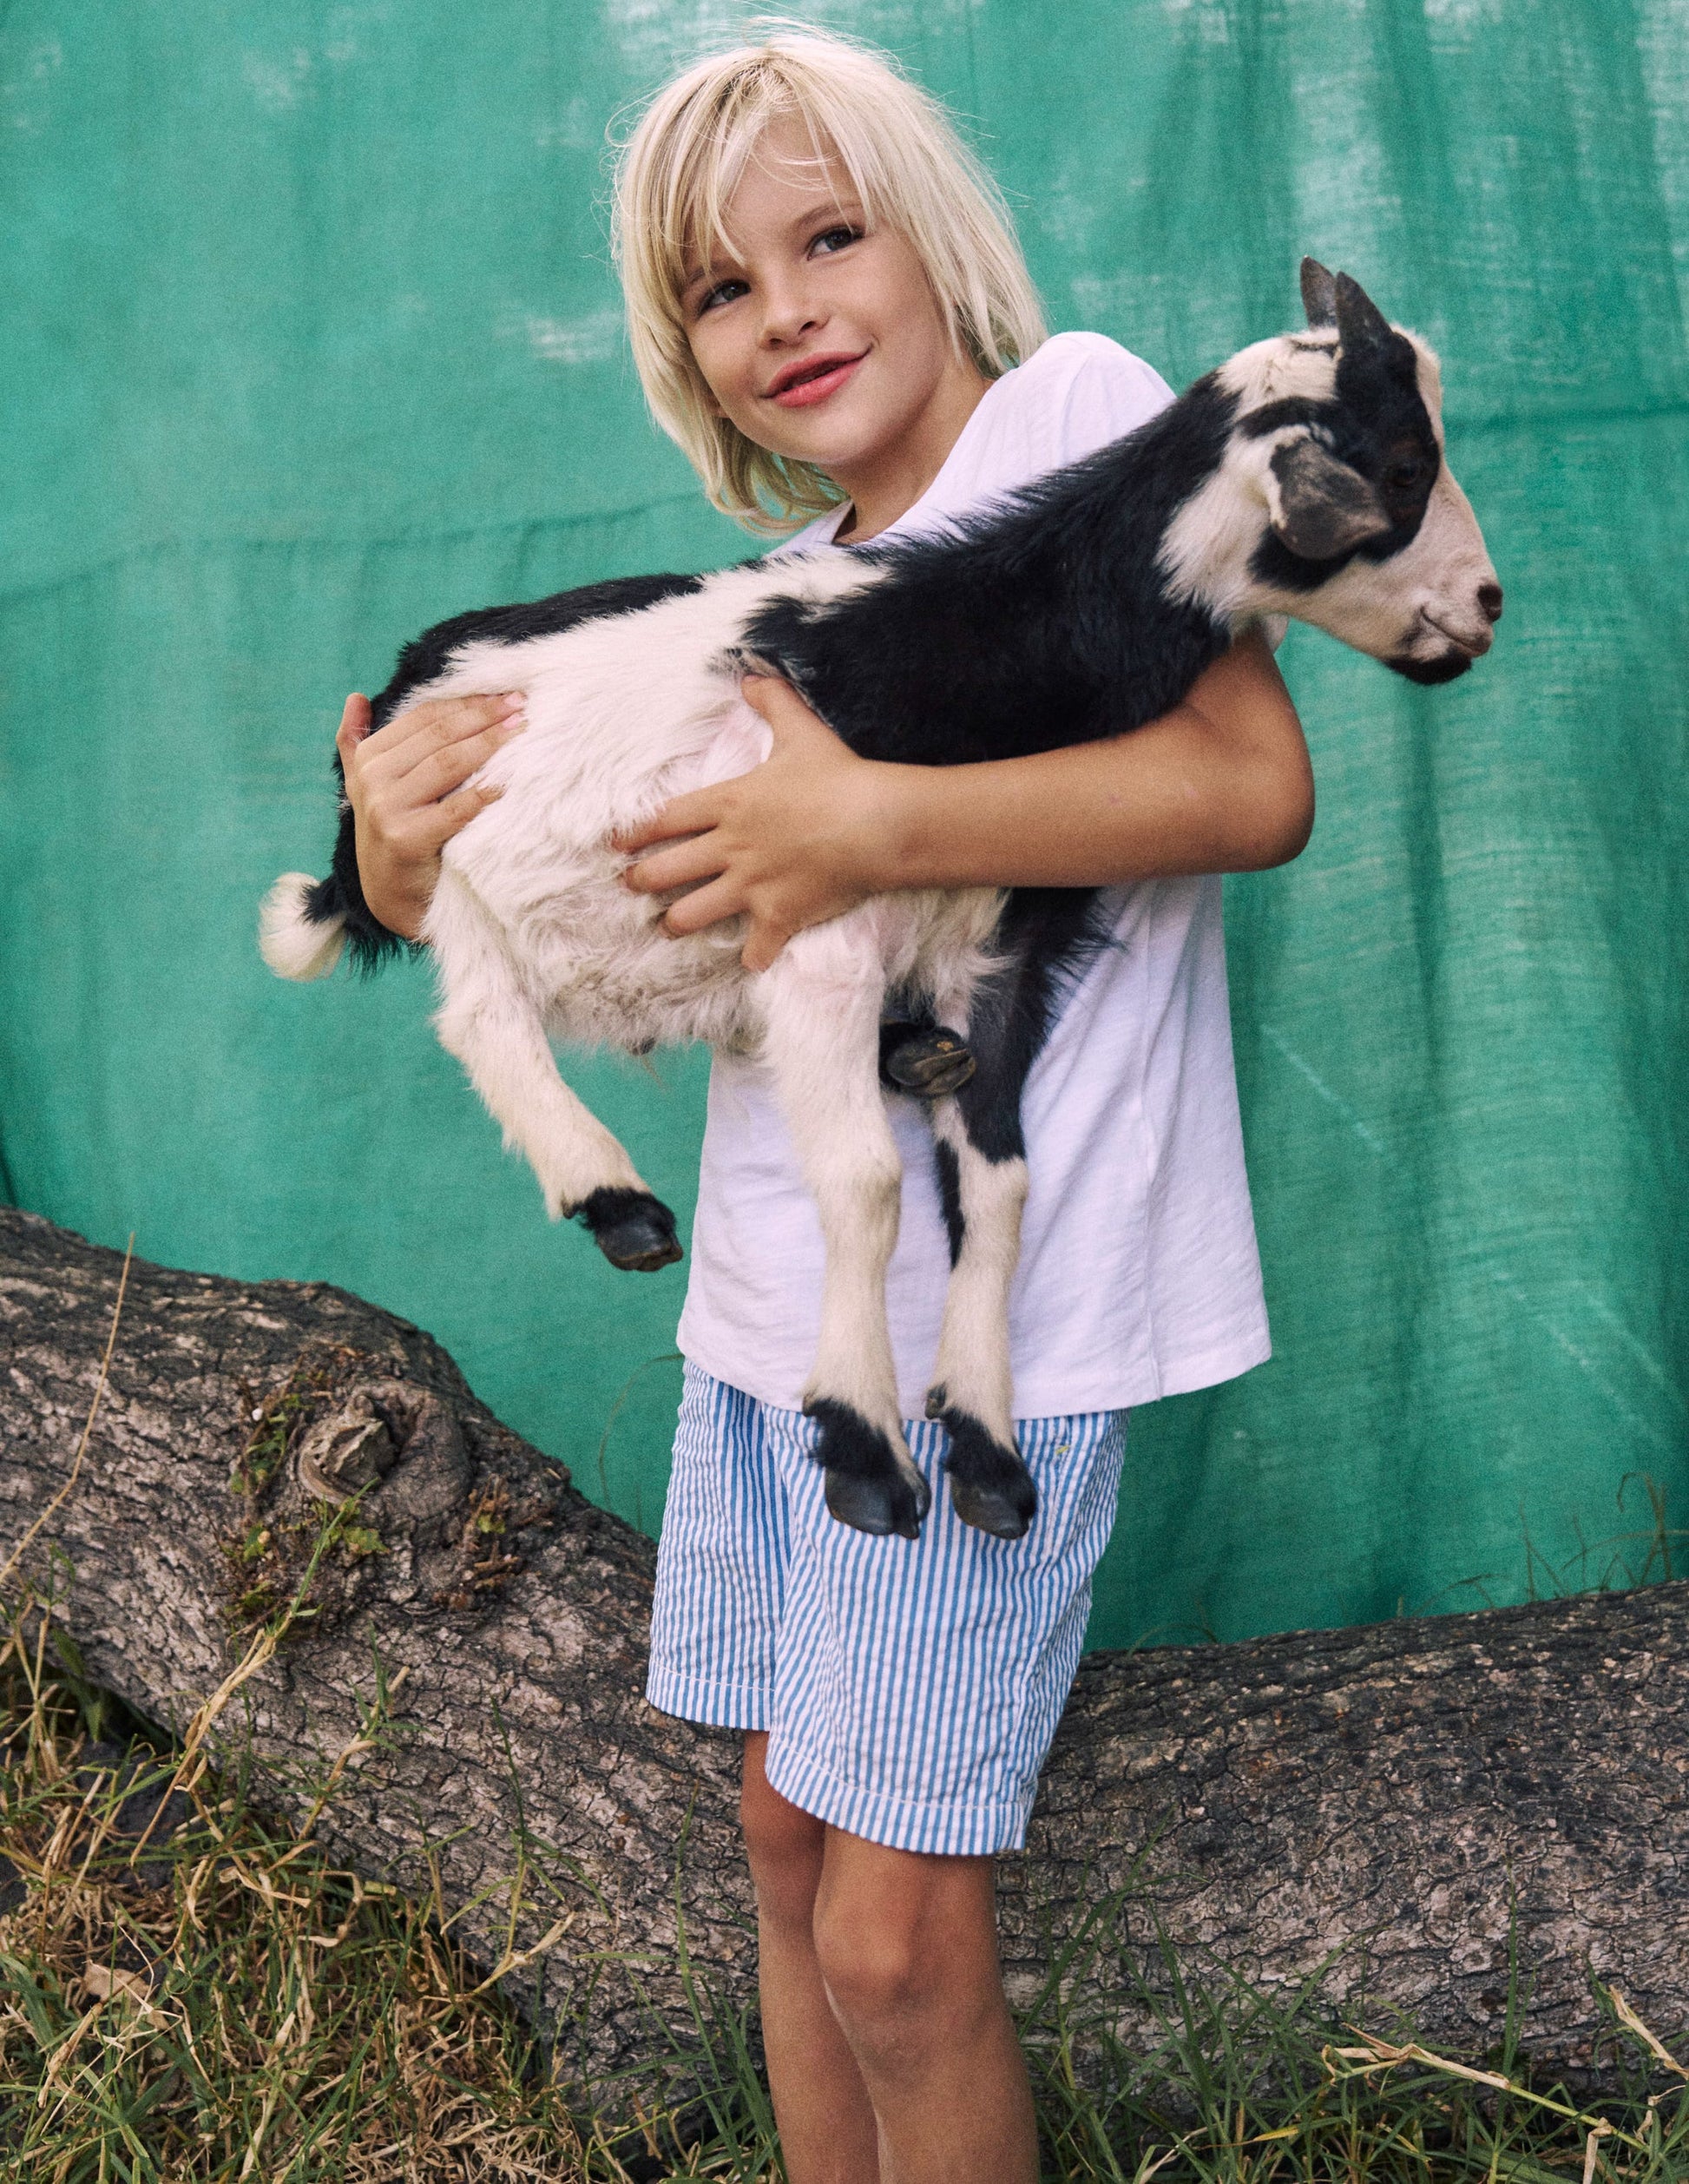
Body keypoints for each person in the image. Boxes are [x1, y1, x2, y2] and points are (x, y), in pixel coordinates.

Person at [338, 28, 1313, 2184]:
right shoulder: (756, 611)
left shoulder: (1071, 438)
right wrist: (405, 859)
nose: (781, 307)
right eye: (717, 287)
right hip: (771, 1323)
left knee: (890, 1932)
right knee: (785, 1829)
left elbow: (1251, 785)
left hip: (998, 1343)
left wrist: (867, 818)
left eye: (825, 236)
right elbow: (631, 918)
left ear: (928, 240)